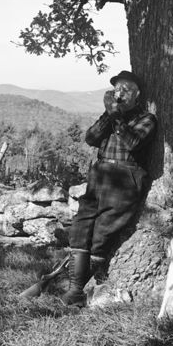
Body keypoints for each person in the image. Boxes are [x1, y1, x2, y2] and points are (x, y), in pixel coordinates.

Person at [63, 70, 157, 306]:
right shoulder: (110, 115)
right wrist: (110, 114)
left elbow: (132, 142)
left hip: (125, 176)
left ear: (137, 94)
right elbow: (91, 138)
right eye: (117, 89)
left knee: (102, 234)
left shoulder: (146, 119)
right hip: (100, 173)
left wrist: (116, 116)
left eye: (125, 90)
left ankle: (77, 290)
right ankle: (74, 289)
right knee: (81, 226)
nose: (120, 93)